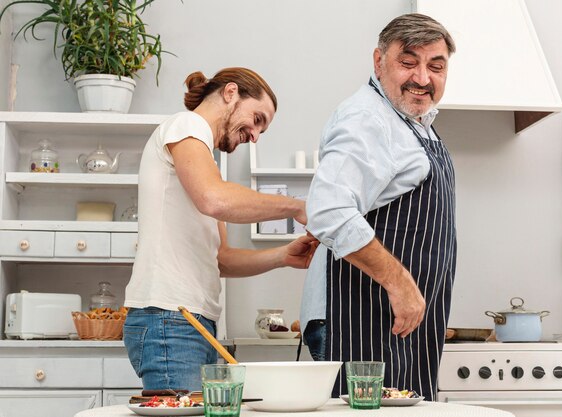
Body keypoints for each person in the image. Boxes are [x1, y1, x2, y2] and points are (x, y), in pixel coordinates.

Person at [123, 67, 319, 392]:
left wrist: (285, 256)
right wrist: (296, 206)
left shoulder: (206, 166)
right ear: (230, 94)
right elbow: (213, 199)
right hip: (170, 318)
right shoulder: (185, 125)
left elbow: (222, 259)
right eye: (257, 119)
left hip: (190, 321)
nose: (255, 135)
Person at [300, 13, 457, 400]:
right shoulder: (367, 118)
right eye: (408, 62)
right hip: (360, 321)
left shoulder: (411, 121)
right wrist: (400, 282)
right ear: (378, 61)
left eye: (435, 67)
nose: (422, 78)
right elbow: (329, 210)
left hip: (397, 325)